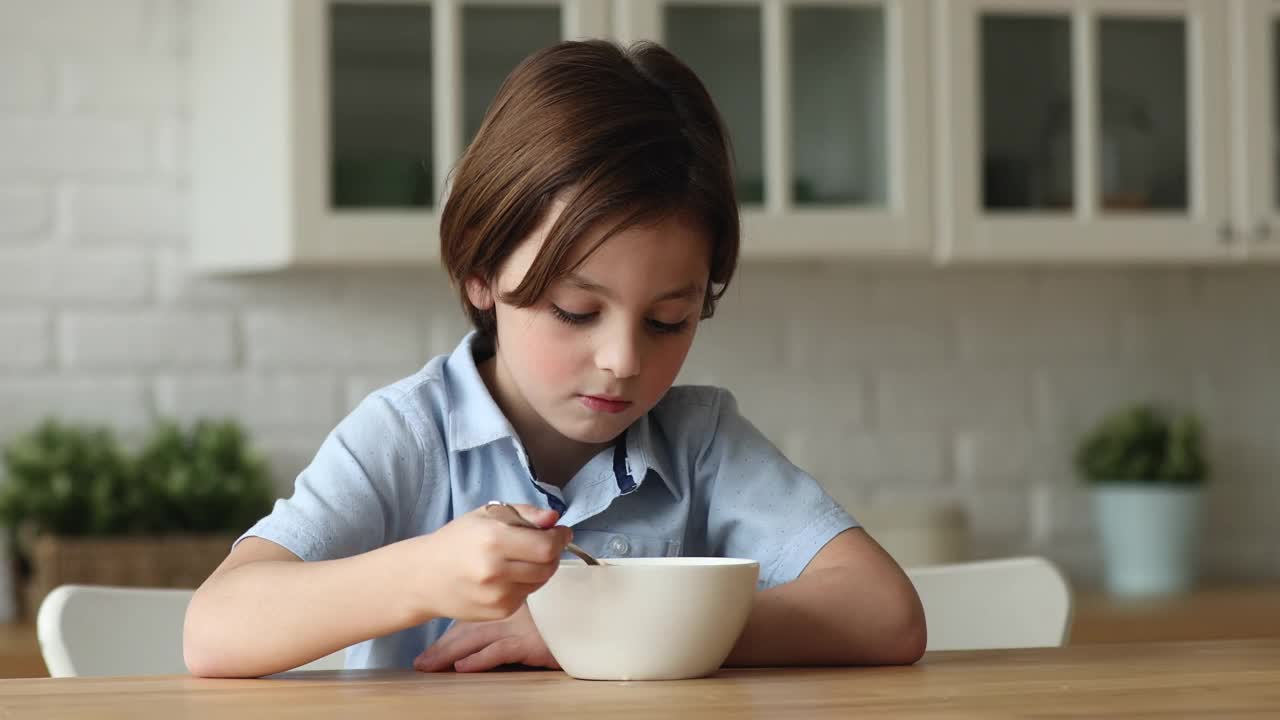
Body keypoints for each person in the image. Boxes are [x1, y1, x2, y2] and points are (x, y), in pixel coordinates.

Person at [183, 39, 925, 679]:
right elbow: (214, 630)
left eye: (669, 320)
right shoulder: (409, 437)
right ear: (481, 275)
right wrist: (417, 574)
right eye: (575, 311)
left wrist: (609, 631)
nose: (622, 360)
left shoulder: (702, 444)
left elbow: (885, 613)